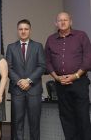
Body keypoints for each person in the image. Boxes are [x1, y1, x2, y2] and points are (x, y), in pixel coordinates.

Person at [45, 12, 91, 140]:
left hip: (79, 83)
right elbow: (47, 62)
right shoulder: (51, 39)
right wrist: (56, 77)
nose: (63, 22)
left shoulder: (81, 36)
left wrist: (75, 76)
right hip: (61, 84)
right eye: (60, 20)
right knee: (66, 118)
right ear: (56, 23)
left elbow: (88, 59)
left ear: (71, 22)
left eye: (65, 20)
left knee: (82, 117)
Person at [6, 19, 46, 140]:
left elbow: (42, 66)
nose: (23, 31)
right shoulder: (11, 47)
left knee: (34, 124)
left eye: (26, 29)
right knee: (17, 123)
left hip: (34, 90)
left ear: (30, 30)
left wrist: (28, 80)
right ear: (17, 31)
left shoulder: (38, 46)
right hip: (17, 91)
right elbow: (8, 68)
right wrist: (20, 81)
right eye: (20, 29)